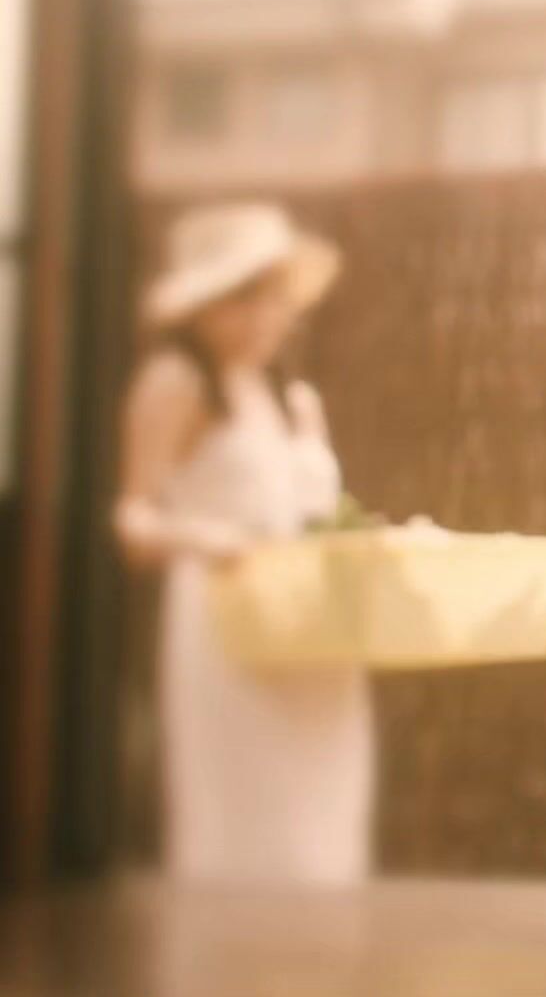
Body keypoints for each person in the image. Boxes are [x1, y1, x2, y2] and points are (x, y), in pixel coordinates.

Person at [114, 202, 372, 887]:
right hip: (226, 618)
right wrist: (208, 539)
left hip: (305, 624)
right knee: (245, 811)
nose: (263, 318)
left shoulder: (277, 392)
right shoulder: (176, 381)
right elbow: (133, 519)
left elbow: (310, 512)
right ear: (202, 306)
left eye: (274, 299)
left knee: (319, 814)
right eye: (244, 299)